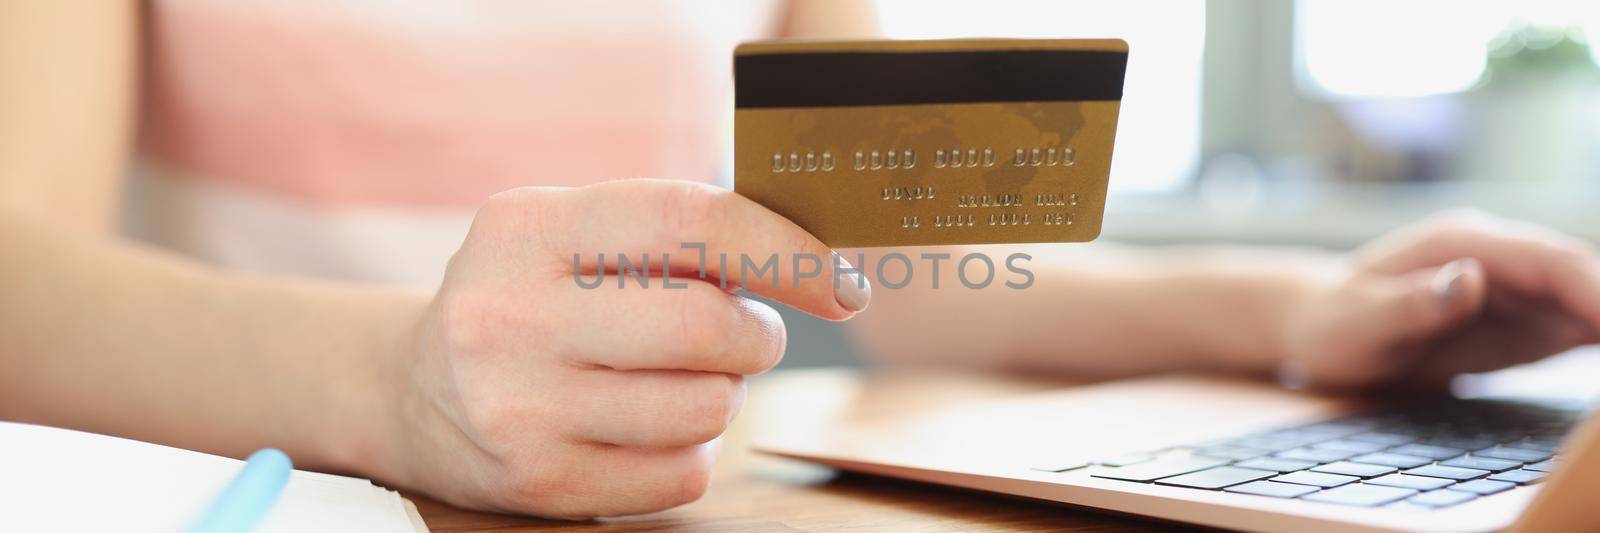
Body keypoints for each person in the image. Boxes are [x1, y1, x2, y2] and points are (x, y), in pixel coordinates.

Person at [2, 0, 1597, 520]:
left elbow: (884, 260)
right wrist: (397, 381)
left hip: (675, 507)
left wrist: (1306, 312)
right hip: (312, 498)